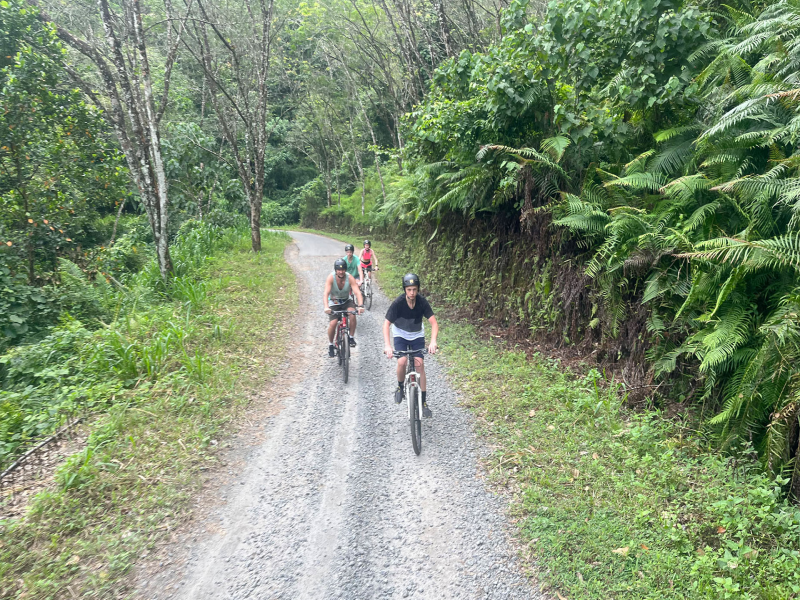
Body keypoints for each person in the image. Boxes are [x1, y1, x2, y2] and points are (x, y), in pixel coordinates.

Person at [383, 273, 439, 417]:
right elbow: (386, 324)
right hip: (400, 334)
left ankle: (423, 402)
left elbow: (434, 323)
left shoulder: (422, 302)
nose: (412, 293)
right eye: (409, 290)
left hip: (417, 335)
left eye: (414, 289)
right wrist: (388, 346)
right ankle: (400, 387)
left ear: (418, 289)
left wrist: (433, 342)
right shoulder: (398, 303)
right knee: (402, 361)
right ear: (405, 290)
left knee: (419, 364)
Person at [324, 258, 364, 357]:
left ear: (345, 270)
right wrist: (326, 307)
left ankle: (350, 337)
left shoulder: (350, 277)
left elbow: (357, 292)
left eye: (343, 270)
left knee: (352, 314)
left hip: (346, 300)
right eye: (339, 270)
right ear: (335, 270)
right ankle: (331, 344)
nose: (341, 272)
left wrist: (360, 305)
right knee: (333, 323)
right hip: (334, 302)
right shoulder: (331, 277)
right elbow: (326, 293)